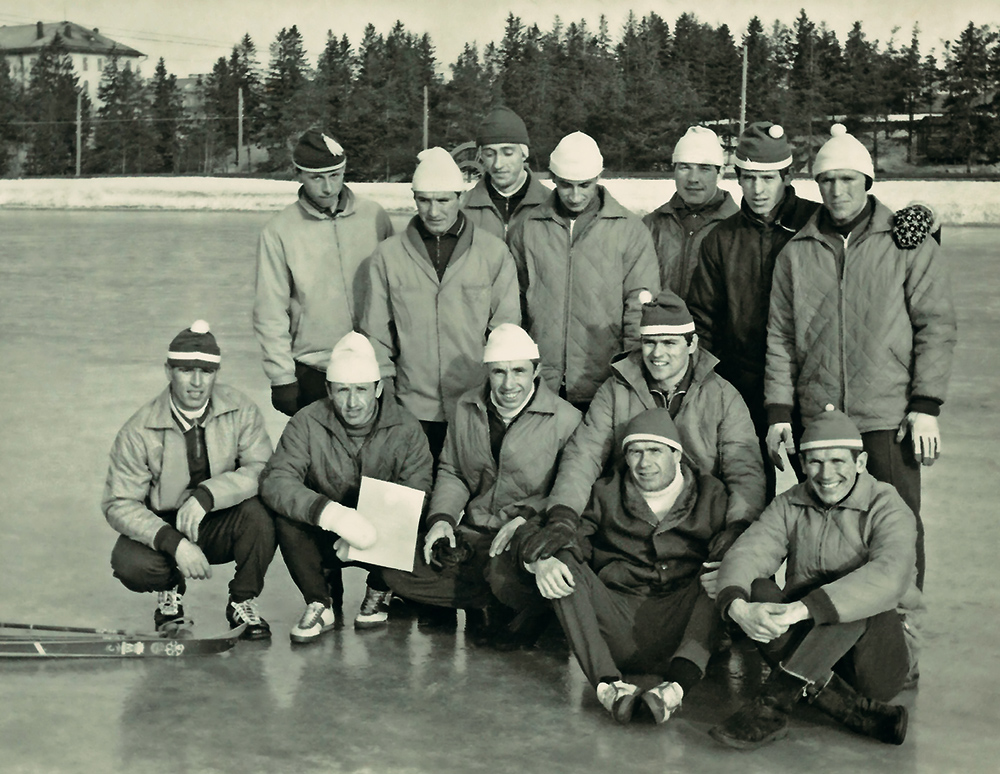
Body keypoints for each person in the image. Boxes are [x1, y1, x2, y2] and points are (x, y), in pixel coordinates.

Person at [765, 124, 957, 588]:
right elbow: (780, 336)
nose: (837, 190)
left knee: (896, 521)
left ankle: (899, 618)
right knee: (821, 524)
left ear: (867, 182)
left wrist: (925, 405)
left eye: (848, 179)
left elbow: (936, 325)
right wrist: (778, 410)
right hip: (820, 414)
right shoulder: (796, 253)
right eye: (827, 180)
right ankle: (824, 623)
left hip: (887, 415)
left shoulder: (905, 243)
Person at [709, 407, 919, 750]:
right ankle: (852, 710)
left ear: (861, 462)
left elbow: (888, 577)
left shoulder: (887, 505)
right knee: (758, 590)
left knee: (857, 594)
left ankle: (772, 705)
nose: (826, 473)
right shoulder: (789, 503)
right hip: (807, 644)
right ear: (803, 465)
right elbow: (748, 553)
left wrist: (801, 610)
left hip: (875, 662)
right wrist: (736, 608)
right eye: (815, 462)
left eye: (838, 461)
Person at [515, 409, 729, 724]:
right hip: (617, 622)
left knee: (723, 569)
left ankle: (674, 690)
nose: (644, 463)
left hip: (683, 625)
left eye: (655, 450)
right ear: (625, 457)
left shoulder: (712, 494)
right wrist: (541, 559)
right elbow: (562, 535)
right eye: (635, 452)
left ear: (677, 455)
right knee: (562, 561)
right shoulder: (604, 492)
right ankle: (608, 686)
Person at [522, 290, 764, 566]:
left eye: (669, 343)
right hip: (626, 522)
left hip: (697, 524)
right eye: (649, 342)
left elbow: (744, 470)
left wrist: (739, 526)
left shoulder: (722, 395)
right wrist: (563, 516)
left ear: (692, 343)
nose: (657, 353)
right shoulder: (616, 390)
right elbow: (584, 456)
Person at [381, 324, 581, 642]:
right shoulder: (466, 407)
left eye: (519, 371)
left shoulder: (566, 419)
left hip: (520, 536)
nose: (508, 383)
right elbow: (453, 471)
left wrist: (527, 517)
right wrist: (442, 520)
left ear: (536, 370)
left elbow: (567, 491)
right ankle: (494, 598)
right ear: (487, 370)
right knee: (393, 566)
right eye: (499, 372)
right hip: (474, 535)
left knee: (502, 574)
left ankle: (498, 593)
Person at [102, 321, 276, 640]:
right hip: (164, 523)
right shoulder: (137, 430)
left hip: (219, 517)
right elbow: (119, 503)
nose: (197, 383)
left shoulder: (242, 410)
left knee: (263, 517)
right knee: (129, 562)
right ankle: (170, 592)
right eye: (185, 370)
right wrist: (173, 542)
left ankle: (242, 600)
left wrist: (207, 496)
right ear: (168, 371)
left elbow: (262, 468)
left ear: (216, 373)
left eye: (206, 372)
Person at [258, 332, 433, 642]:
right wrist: (332, 515)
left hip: (381, 536)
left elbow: (418, 493)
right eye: (342, 391)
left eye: (362, 390)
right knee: (285, 517)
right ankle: (318, 600)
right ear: (328, 389)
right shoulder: (306, 422)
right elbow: (276, 481)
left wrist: (372, 524)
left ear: (378, 388)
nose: (352, 403)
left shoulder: (407, 429)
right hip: (327, 530)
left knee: (416, 516)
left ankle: (380, 589)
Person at [361, 146, 520, 463]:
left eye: (444, 200)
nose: (434, 211)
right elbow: (376, 333)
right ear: (414, 198)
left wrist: (494, 393)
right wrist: (387, 397)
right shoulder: (387, 257)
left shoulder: (493, 253)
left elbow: (505, 331)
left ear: (461, 198)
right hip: (411, 406)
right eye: (424, 200)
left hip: (475, 404)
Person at [688, 122, 820, 497]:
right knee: (745, 495)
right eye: (748, 178)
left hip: (809, 387)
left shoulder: (817, 223)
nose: (757, 189)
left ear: (787, 176)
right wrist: (710, 391)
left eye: (768, 178)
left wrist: (926, 222)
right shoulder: (721, 239)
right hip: (743, 389)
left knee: (825, 492)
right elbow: (703, 320)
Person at [508, 131, 659, 412]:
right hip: (540, 382)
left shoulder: (629, 230)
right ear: (553, 179)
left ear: (599, 177)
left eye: (584, 185)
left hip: (604, 382)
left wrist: (630, 375)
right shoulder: (528, 228)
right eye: (566, 185)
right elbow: (512, 303)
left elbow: (639, 311)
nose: (575, 195)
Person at [254, 128, 393, 417]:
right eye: (317, 178)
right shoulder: (279, 231)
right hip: (315, 368)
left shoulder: (375, 217)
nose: (328, 187)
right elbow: (269, 311)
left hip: (376, 367)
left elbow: (398, 291)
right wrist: (282, 378)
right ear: (299, 175)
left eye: (336, 175)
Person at [643, 126, 738, 299]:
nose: (693, 178)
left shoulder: (739, 228)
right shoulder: (650, 226)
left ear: (720, 173)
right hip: (660, 324)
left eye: (704, 168)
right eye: (685, 167)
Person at [462, 106, 549, 242]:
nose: (498, 164)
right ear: (480, 156)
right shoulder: (462, 208)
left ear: (524, 153)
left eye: (507, 153)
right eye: (489, 154)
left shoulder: (551, 205)